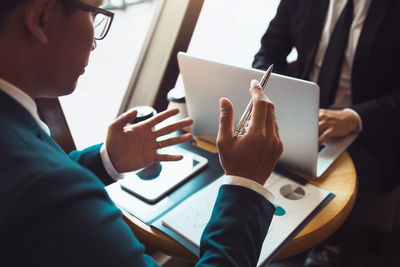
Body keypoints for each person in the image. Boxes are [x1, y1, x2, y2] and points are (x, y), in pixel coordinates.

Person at [0, 0, 283, 266]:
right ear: (42, 18)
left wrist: (104, 159)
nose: (95, 42)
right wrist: (245, 183)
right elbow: (44, 192)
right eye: (93, 12)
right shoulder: (52, 192)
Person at [252, 0, 400, 265]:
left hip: (368, 129)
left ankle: (328, 248)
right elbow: (268, 53)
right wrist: (266, 92)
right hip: (302, 115)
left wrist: (354, 118)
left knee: (338, 207)